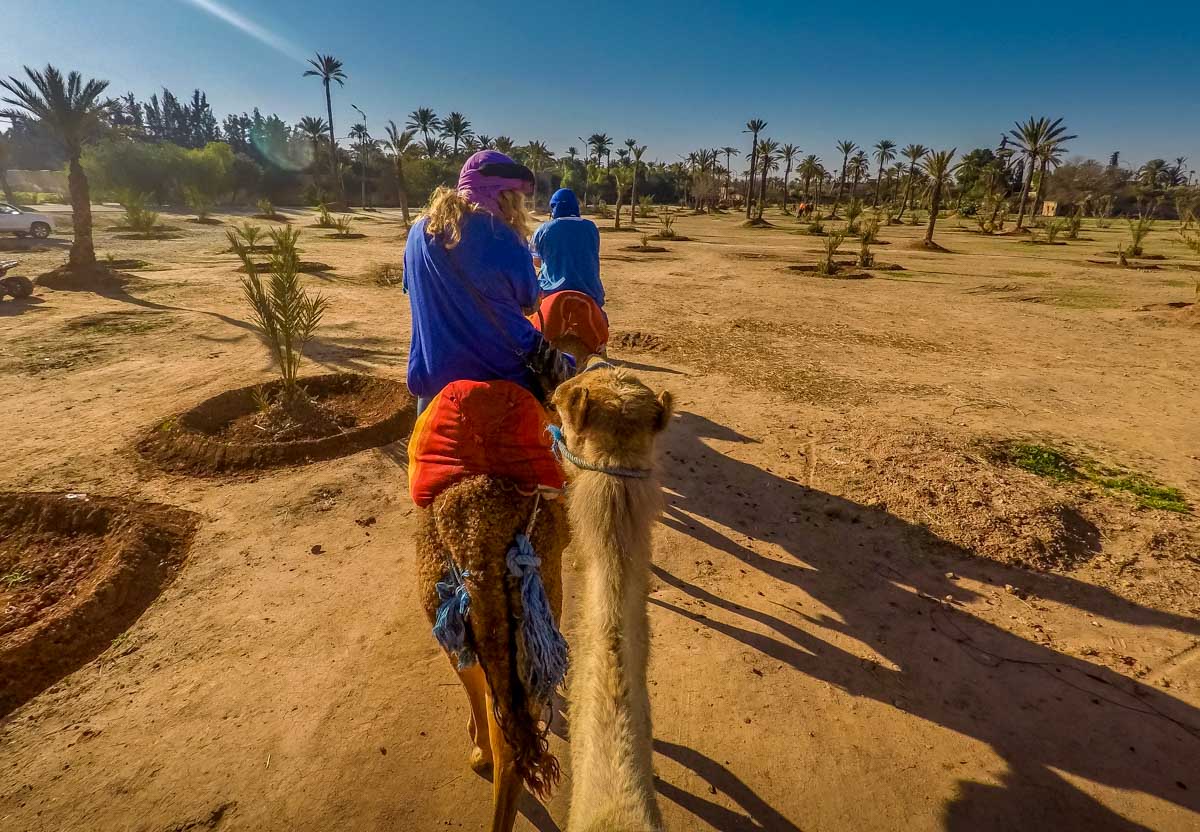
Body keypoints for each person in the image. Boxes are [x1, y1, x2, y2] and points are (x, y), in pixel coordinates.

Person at [404, 150, 569, 413]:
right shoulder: (505, 237)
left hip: (434, 383)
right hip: (503, 379)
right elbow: (530, 304)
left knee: (421, 449)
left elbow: (411, 288)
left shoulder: (417, 234)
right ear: (505, 195)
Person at [530, 188, 604, 308]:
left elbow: (536, 261)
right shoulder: (591, 228)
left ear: (553, 207)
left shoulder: (543, 229)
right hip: (590, 290)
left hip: (551, 289)